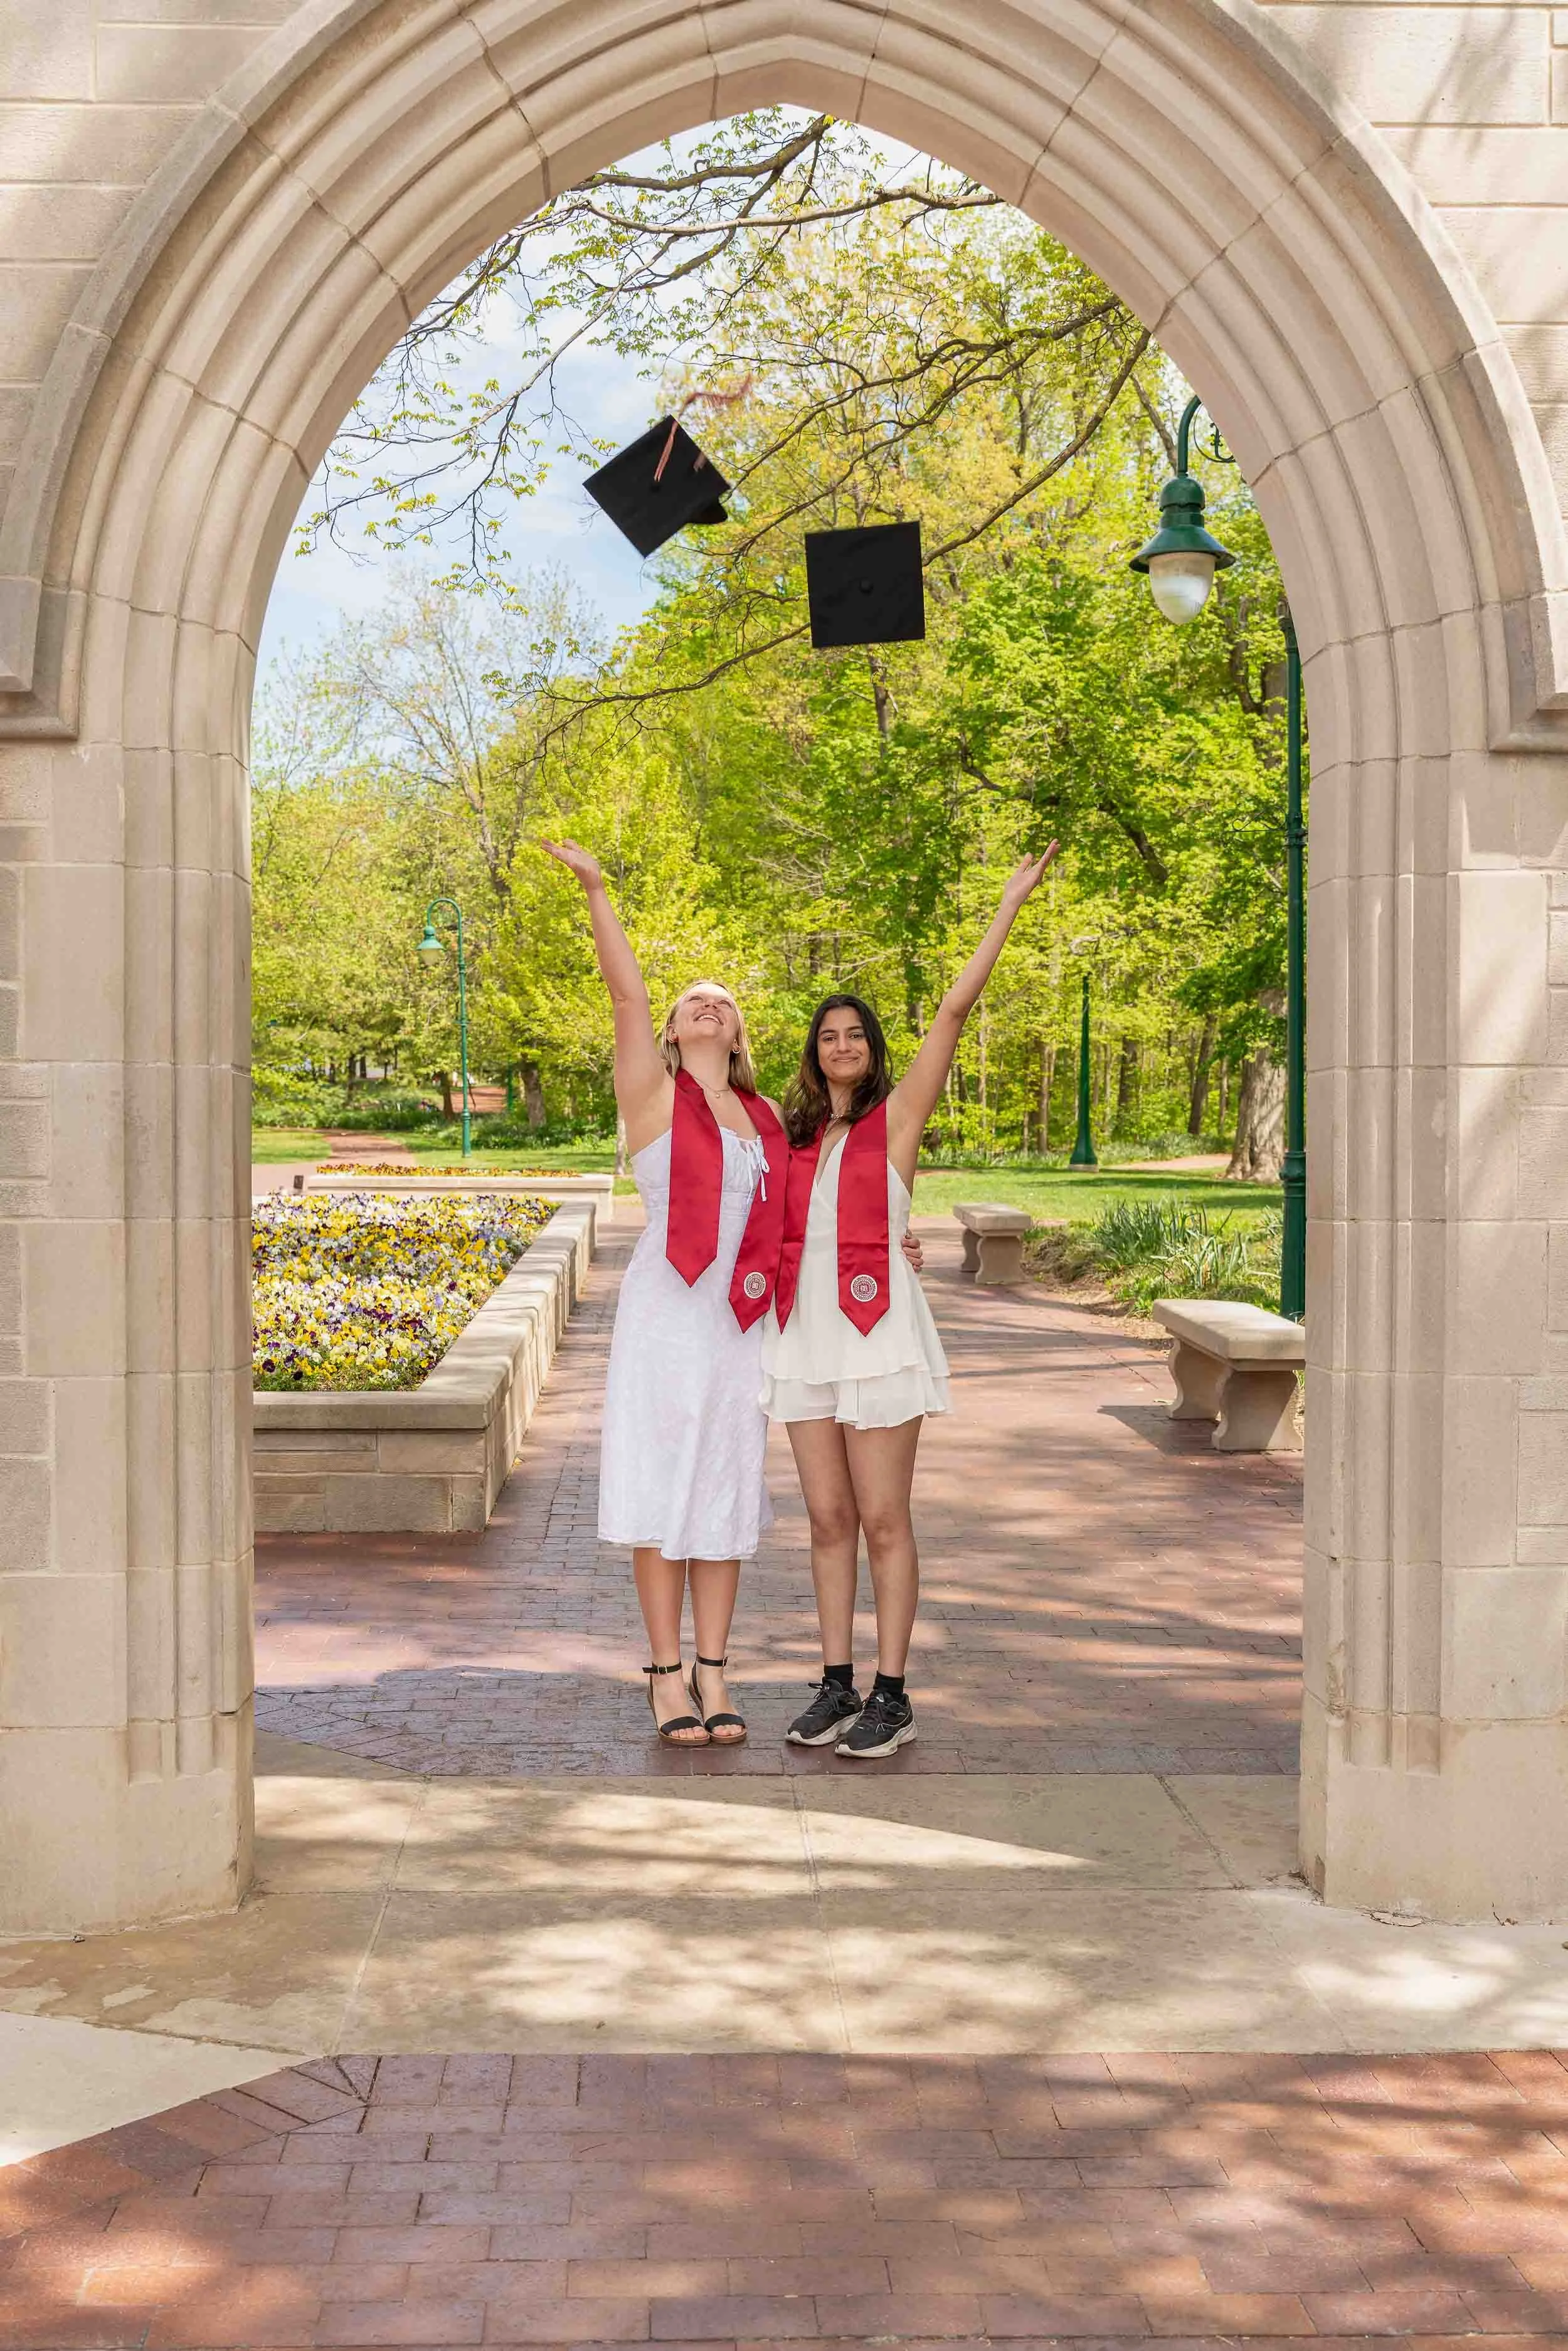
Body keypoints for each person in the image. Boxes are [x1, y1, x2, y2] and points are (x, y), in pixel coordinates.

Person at [538, 837, 924, 1747]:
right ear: (673, 1031)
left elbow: (825, 1205)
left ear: (740, 1033)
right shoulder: (649, 1095)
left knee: (719, 1491)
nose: (707, 1005)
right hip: (668, 1318)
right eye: (692, 1003)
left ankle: (716, 1670)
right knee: (660, 1486)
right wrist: (598, 890)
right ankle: (665, 1674)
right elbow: (625, 993)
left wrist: (897, 1232)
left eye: (724, 1002)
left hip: (741, 1328)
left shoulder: (767, 1123)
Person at [763, 847, 1059, 1758]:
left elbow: (955, 1010)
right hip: (805, 1334)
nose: (841, 1045)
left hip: (877, 1332)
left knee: (885, 1518)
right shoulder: (794, 1133)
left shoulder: (898, 1119)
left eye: (855, 1034)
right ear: (814, 1052)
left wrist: (1008, 902)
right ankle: (837, 1683)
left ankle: (893, 1692)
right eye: (828, 1035)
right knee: (825, 1520)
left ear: (874, 1049)